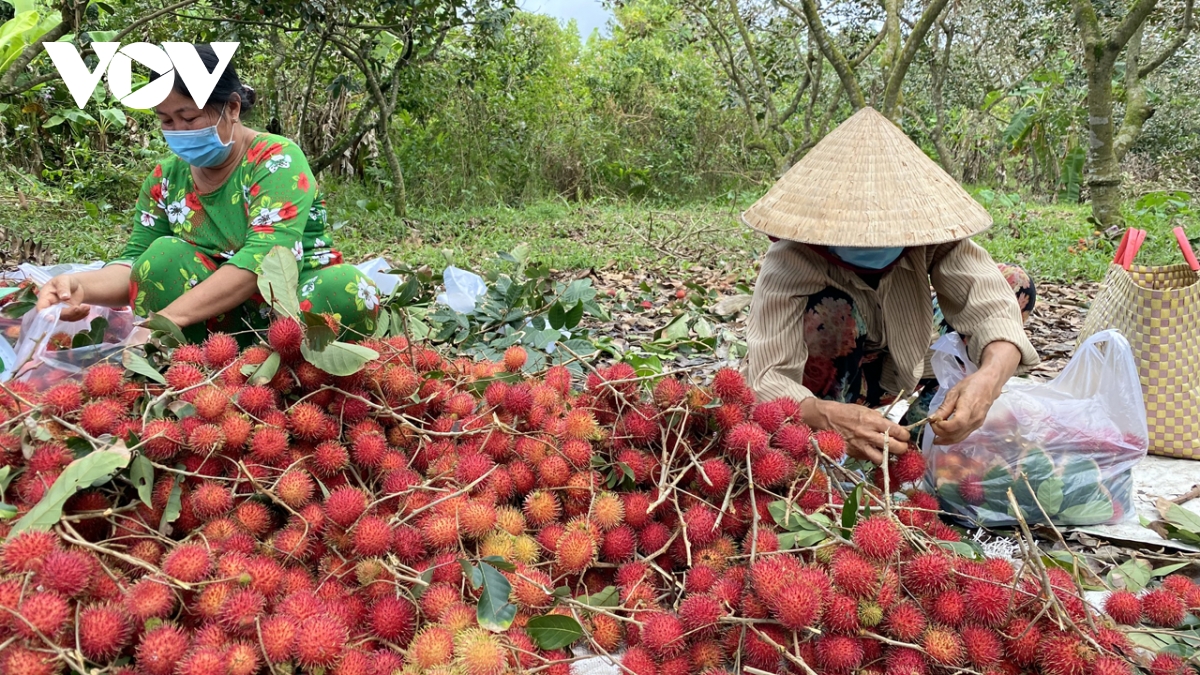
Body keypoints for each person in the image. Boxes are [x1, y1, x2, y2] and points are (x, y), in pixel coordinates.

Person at [741, 107, 1039, 465]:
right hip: (833, 381)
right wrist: (827, 418)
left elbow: (989, 302)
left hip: (907, 356)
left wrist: (989, 380)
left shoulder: (928, 235)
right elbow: (767, 376)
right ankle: (851, 419)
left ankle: (934, 411)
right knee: (833, 311)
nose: (873, 238)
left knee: (1012, 282)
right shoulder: (791, 258)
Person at [35, 44, 380, 344]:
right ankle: (199, 367)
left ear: (232, 108)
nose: (179, 131)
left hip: (291, 304)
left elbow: (264, 259)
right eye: (167, 121)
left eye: (189, 117)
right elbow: (134, 264)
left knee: (344, 288)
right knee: (160, 257)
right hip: (214, 318)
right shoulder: (166, 177)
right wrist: (80, 287)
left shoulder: (277, 159)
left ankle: (293, 367)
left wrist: (167, 319)